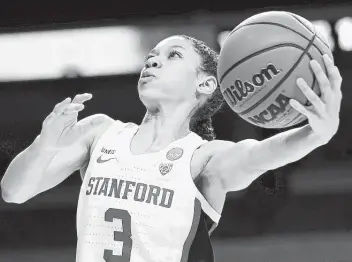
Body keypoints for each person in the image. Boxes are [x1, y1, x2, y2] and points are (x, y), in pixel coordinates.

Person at [1, 34, 342, 262]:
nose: (151, 61)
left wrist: (316, 134)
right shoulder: (99, 132)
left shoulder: (204, 159)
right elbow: (14, 191)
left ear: (205, 83)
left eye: (172, 55)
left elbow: (260, 154)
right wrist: (44, 144)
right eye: (150, 57)